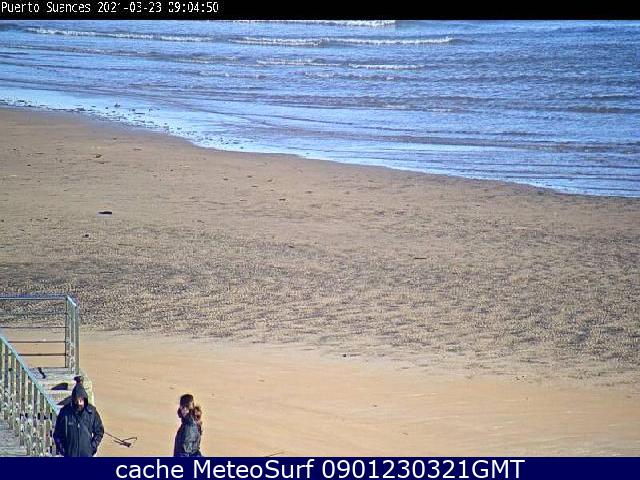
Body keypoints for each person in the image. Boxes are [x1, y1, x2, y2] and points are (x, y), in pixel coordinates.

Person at [53, 377, 104, 457]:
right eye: (77, 400)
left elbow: (99, 431)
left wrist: (92, 447)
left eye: (81, 400)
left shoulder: (91, 412)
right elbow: (57, 434)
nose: (80, 403)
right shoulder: (65, 412)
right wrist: (63, 450)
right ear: (74, 399)